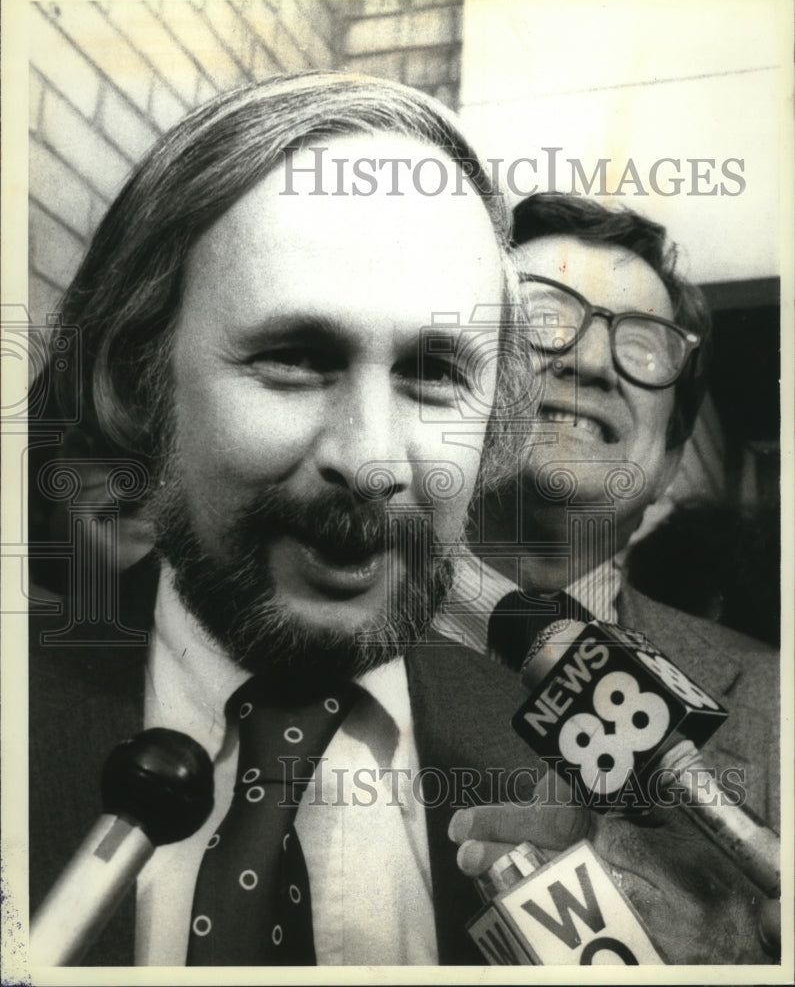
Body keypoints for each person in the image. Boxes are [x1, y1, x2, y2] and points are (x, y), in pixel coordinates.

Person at [28, 79, 775, 967]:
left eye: (431, 373)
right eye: (294, 358)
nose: (375, 457)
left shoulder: (571, 787)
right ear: (137, 381)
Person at [440, 193, 780, 959]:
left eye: (645, 344)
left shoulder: (776, 702)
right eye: (538, 316)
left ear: (667, 458)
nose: (589, 361)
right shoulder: (294, 637)